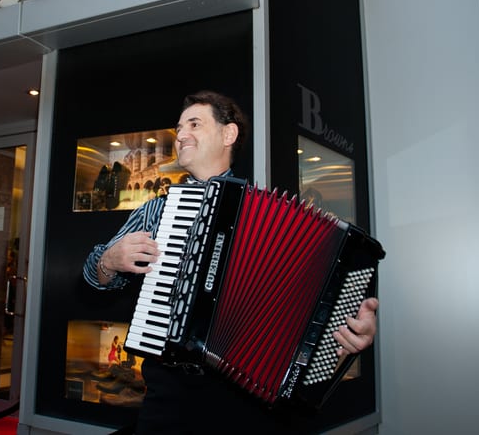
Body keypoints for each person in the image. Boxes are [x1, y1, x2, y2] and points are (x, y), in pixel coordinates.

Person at [82, 90, 380, 434]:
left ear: (229, 134)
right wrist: (108, 260)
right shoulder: (157, 211)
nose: (180, 135)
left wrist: (348, 334)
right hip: (172, 397)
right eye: (178, 128)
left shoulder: (276, 218)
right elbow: (92, 279)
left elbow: (317, 310)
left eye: (194, 124)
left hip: (254, 403)